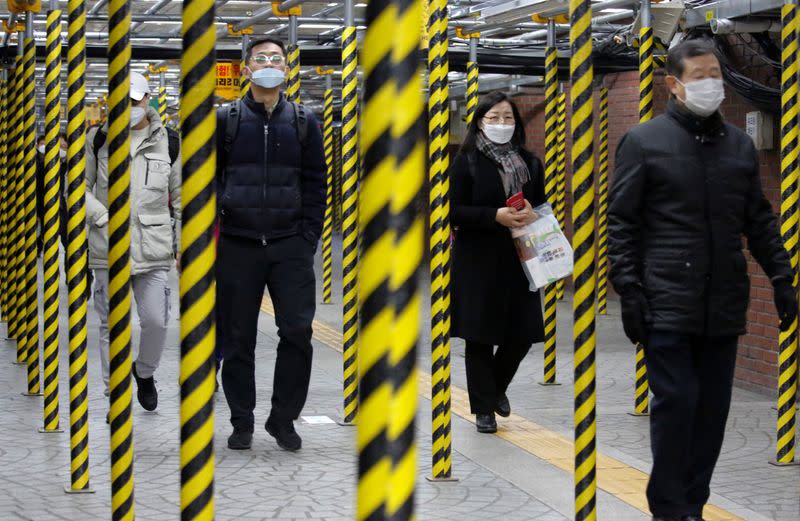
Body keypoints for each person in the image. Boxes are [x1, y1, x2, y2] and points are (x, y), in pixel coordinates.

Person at [608, 39, 798, 521]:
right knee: (677, 403)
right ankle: (670, 509)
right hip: (665, 302)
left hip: (723, 302)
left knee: (711, 412)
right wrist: (628, 290)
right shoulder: (644, 141)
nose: (711, 82)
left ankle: (691, 504)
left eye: (716, 72)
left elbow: (757, 218)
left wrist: (781, 276)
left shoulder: (737, 145)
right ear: (674, 84)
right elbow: (622, 223)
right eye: (699, 75)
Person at [215, 36, 325, 452]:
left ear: (286, 69)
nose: (268, 64)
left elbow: (316, 183)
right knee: (238, 337)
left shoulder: (303, 121)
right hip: (238, 244)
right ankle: (241, 421)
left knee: (297, 331)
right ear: (245, 69)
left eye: (276, 59)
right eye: (260, 58)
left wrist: (308, 237)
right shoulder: (226, 119)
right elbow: (210, 181)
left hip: (289, 244)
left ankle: (283, 419)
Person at [449, 91, 546, 434]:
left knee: (521, 335)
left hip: (519, 260)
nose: (502, 124)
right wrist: (495, 216)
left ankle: (495, 390)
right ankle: (483, 411)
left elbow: (541, 205)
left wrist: (533, 212)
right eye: (494, 118)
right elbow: (453, 211)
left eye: (508, 118)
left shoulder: (531, 163)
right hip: (477, 260)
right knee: (479, 336)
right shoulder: (466, 163)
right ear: (480, 122)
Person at [86, 71, 181, 413]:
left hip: (152, 247)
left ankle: (144, 372)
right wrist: (101, 217)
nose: (129, 108)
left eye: (134, 101)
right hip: (107, 248)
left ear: (147, 100)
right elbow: (78, 188)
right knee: (111, 324)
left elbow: (180, 195)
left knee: (156, 320)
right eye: (122, 102)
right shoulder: (97, 139)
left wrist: (182, 245)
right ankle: (115, 393)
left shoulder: (168, 141)